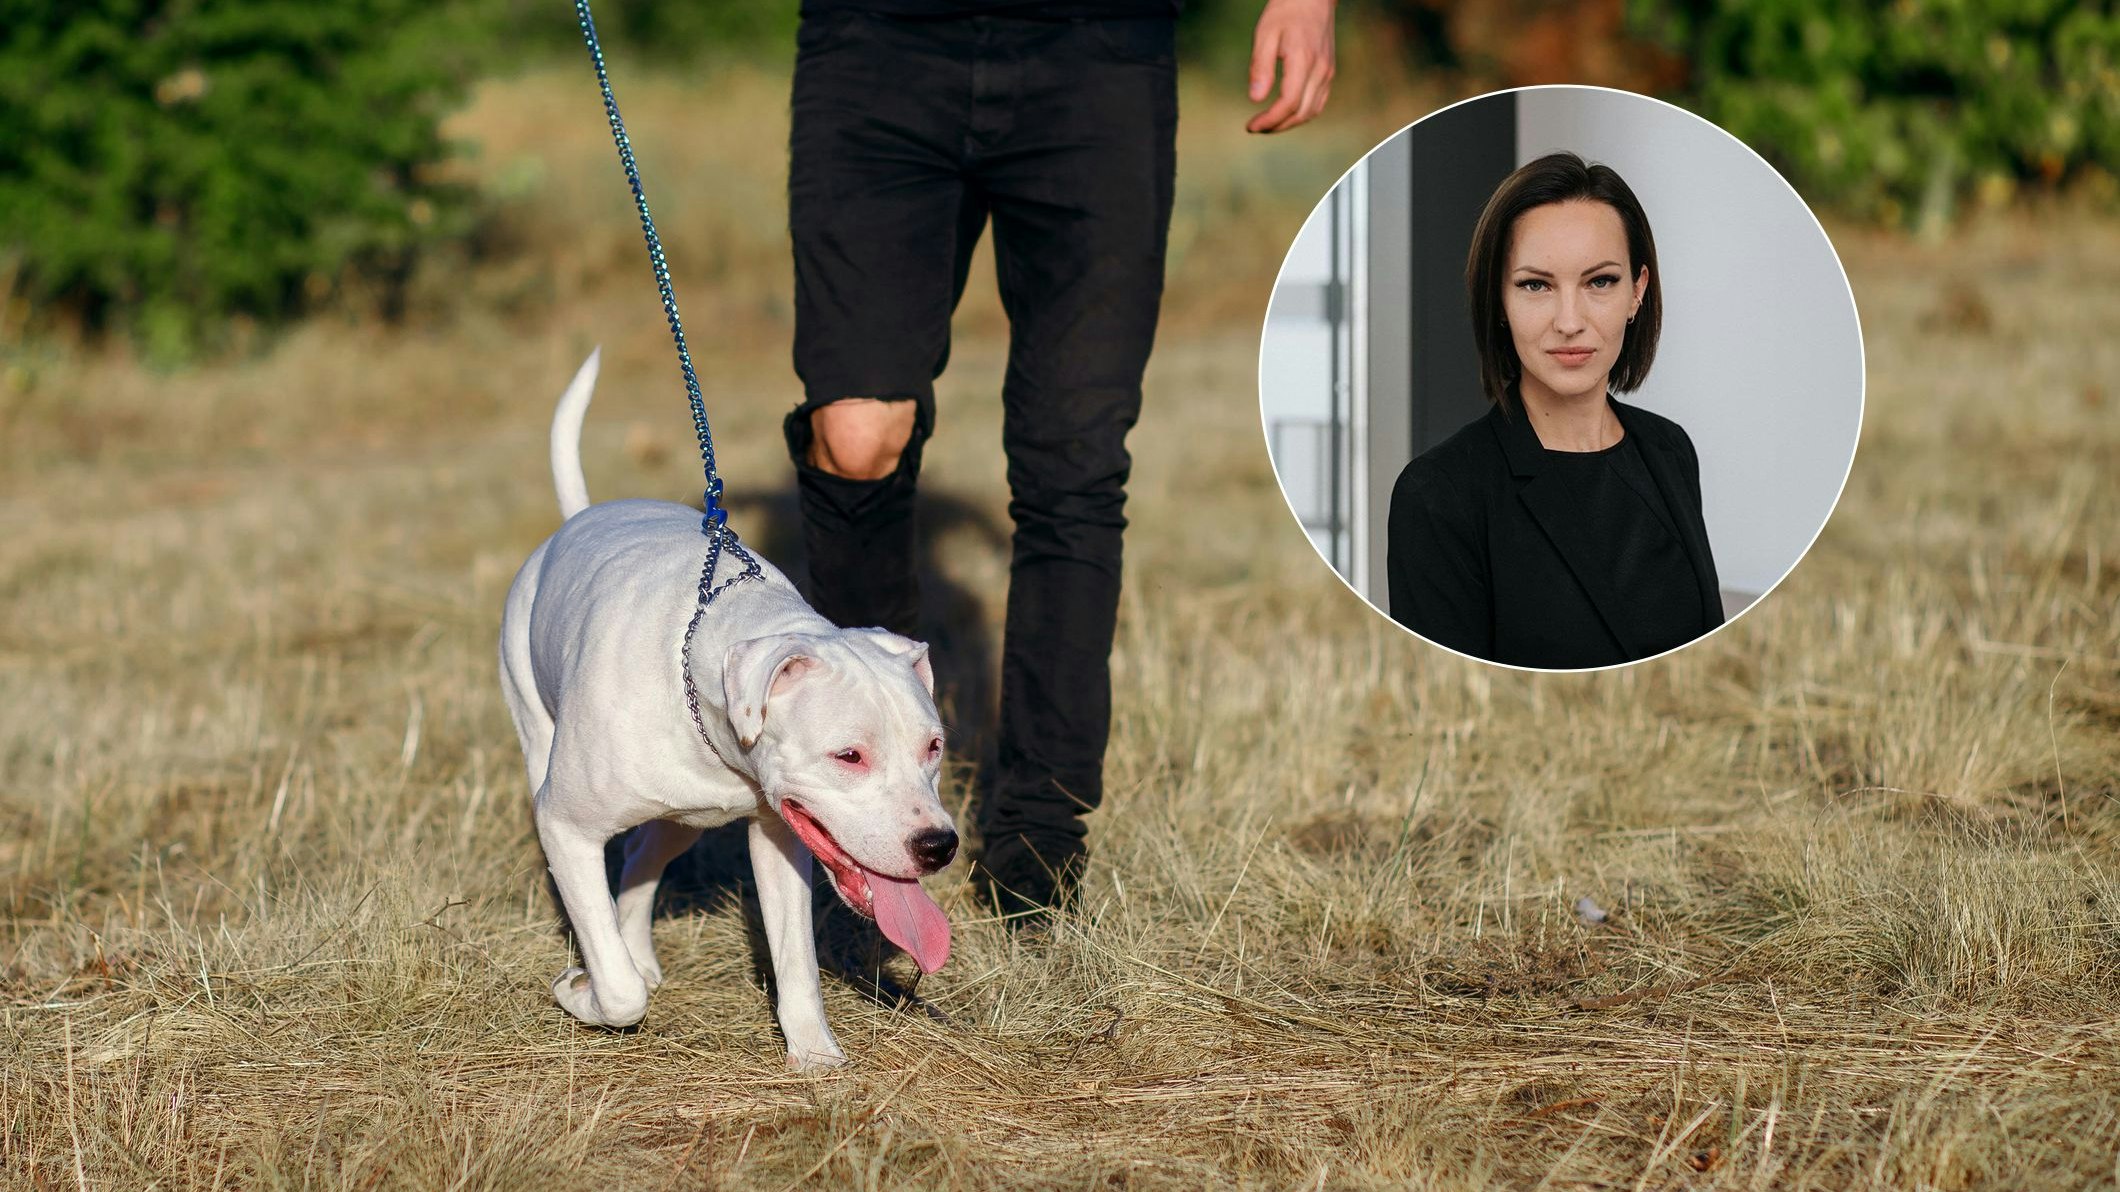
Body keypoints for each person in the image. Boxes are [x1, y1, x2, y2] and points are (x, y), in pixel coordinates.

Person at [784, 0, 1336, 925]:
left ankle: (1038, 849)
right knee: (854, 434)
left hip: (1096, 55)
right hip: (878, 46)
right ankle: (860, 811)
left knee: (1071, 460)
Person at [1386, 152, 1723, 670]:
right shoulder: (1439, 495)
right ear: (1498, 301)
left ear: (1638, 292)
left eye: (1600, 282)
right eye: (1535, 285)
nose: (1570, 321)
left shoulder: (1671, 451)